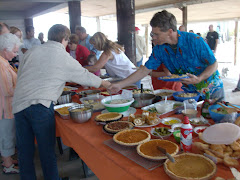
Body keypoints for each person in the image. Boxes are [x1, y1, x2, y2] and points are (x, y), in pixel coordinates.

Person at [12, 24, 111, 180]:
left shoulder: (32, 51)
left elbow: (21, 76)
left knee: (25, 151)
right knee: (46, 151)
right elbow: (84, 75)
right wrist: (106, 84)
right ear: (65, 39)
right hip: (40, 105)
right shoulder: (61, 55)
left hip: (18, 104)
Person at [108, 10, 224, 100]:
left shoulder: (194, 40)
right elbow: (145, 70)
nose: (153, 38)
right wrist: (120, 85)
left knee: (219, 124)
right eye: (152, 34)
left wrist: (199, 78)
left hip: (211, 88)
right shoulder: (160, 48)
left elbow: (213, 64)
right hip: (189, 92)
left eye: (156, 34)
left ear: (169, 32)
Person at [0, 33, 22, 174]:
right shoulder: (1, 65)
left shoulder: (4, 62)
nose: (15, 54)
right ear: (4, 49)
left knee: (7, 135)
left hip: (7, 107)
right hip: (5, 108)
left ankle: (7, 159)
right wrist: (24, 87)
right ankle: (8, 166)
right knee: (6, 135)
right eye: (14, 51)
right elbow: (7, 90)